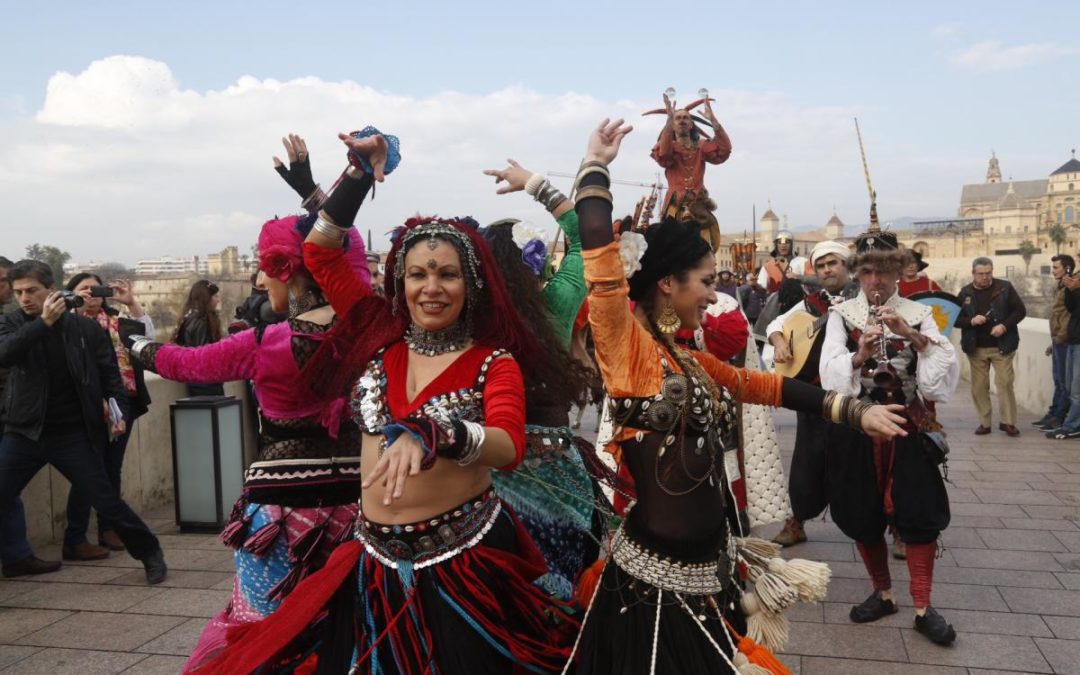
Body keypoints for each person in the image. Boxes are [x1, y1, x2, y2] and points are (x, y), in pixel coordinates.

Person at [193, 130, 577, 674]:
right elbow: (321, 252)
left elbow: (507, 446)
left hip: (465, 568)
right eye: (418, 273)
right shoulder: (378, 336)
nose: (431, 287)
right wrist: (355, 172)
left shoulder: (493, 361)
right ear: (399, 279)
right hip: (373, 564)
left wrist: (436, 434)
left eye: (447, 274)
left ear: (473, 285)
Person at [567, 118, 906, 673]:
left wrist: (853, 410)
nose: (712, 293)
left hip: (710, 568)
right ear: (667, 285)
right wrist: (596, 166)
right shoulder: (627, 352)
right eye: (703, 281)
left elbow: (763, 385)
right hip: (656, 585)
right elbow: (601, 264)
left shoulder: (689, 359)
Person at [133, 211, 370, 672]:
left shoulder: (267, 342)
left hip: (281, 512)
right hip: (359, 504)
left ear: (288, 271)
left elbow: (186, 364)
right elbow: (351, 250)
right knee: (349, 623)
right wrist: (335, 185)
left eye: (265, 267)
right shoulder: (366, 332)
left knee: (265, 626)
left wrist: (137, 346)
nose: (260, 281)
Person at [821, 228, 960, 646]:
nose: (875, 281)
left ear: (898, 272)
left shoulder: (918, 312)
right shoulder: (841, 314)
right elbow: (831, 376)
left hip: (906, 430)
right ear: (857, 275)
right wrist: (861, 354)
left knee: (918, 515)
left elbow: (938, 386)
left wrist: (912, 336)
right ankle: (883, 594)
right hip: (861, 431)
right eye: (867, 273)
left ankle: (922, 605)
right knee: (862, 513)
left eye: (883, 271)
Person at [0, 260, 166, 584]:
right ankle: (16, 558)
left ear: (51, 289)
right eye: (19, 292)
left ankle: (150, 553)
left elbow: (109, 373)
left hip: (70, 433)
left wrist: (118, 410)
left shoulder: (84, 328)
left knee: (106, 498)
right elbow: (5, 354)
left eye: (32, 290)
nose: (25, 298)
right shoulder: (12, 322)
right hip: (24, 432)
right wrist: (42, 324)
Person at [766, 240, 857, 547]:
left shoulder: (865, 300)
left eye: (833, 263)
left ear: (846, 266)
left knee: (863, 464)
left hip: (856, 397)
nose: (827, 269)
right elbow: (777, 324)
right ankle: (796, 523)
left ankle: (891, 527)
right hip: (815, 397)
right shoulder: (812, 303)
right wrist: (779, 341)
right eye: (821, 265)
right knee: (807, 460)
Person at [62, 273, 154, 560]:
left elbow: (147, 341)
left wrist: (131, 303)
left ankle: (108, 528)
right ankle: (75, 536)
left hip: (123, 403)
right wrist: (75, 310)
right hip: (87, 406)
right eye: (83, 290)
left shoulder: (117, 321)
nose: (92, 294)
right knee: (88, 470)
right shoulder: (66, 324)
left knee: (112, 468)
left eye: (95, 289)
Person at [0, 256, 61, 579]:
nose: (13, 291)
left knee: (7, 490)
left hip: (14, 415)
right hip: (14, 415)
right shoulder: (11, 323)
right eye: (7, 284)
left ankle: (16, 555)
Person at [649, 93, 731, 251]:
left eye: (685, 118)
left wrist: (714, 121)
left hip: (698, 205)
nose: (682, 121)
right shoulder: (669, 146)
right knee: (673, 249)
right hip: (675, 206)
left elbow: (724, 150)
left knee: (704, 247)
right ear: (673, 125)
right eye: (677, 118)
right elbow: (664, 155)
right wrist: (668, 121)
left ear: (691, 124)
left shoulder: (701, 146)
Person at [955, 257, 1026, 437]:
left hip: (1003, 346)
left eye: (989, 273)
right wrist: (971, 320)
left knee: (1005, 383)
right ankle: (985, 423)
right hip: (976, 347)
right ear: (973, 273)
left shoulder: (1005, 288)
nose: (985, 277)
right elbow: (954, 319)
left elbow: (1020, 311)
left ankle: (1008, 422)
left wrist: (1004, 326)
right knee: (979, 387)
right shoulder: (965, 293)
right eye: (981, 274)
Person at [1035, 254, 1075, 431]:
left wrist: (1060, 337)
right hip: (1058, 339)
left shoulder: (1071, 286)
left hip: (1065, 339)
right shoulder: (1062, 286)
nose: (1053, 271)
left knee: (1065, 382)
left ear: (1067, 268)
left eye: (1056, 268)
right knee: (1058, 380)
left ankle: (1059, 417)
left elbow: (1068, 315)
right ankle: (1054, 414)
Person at [173, 279, 225, 397]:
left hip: (195, 380)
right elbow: (204, 354)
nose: (218, 300)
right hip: (205, 383)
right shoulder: (201, 320)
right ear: (207, 298)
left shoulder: (188, 316)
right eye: (215, 296)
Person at [1046, 270, 1080, 440]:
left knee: (1076, 389)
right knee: (1068, 385)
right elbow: (1072, 308)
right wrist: (1070, 289)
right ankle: (1070, 423)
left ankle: (1072, 425)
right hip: (1073, 339)